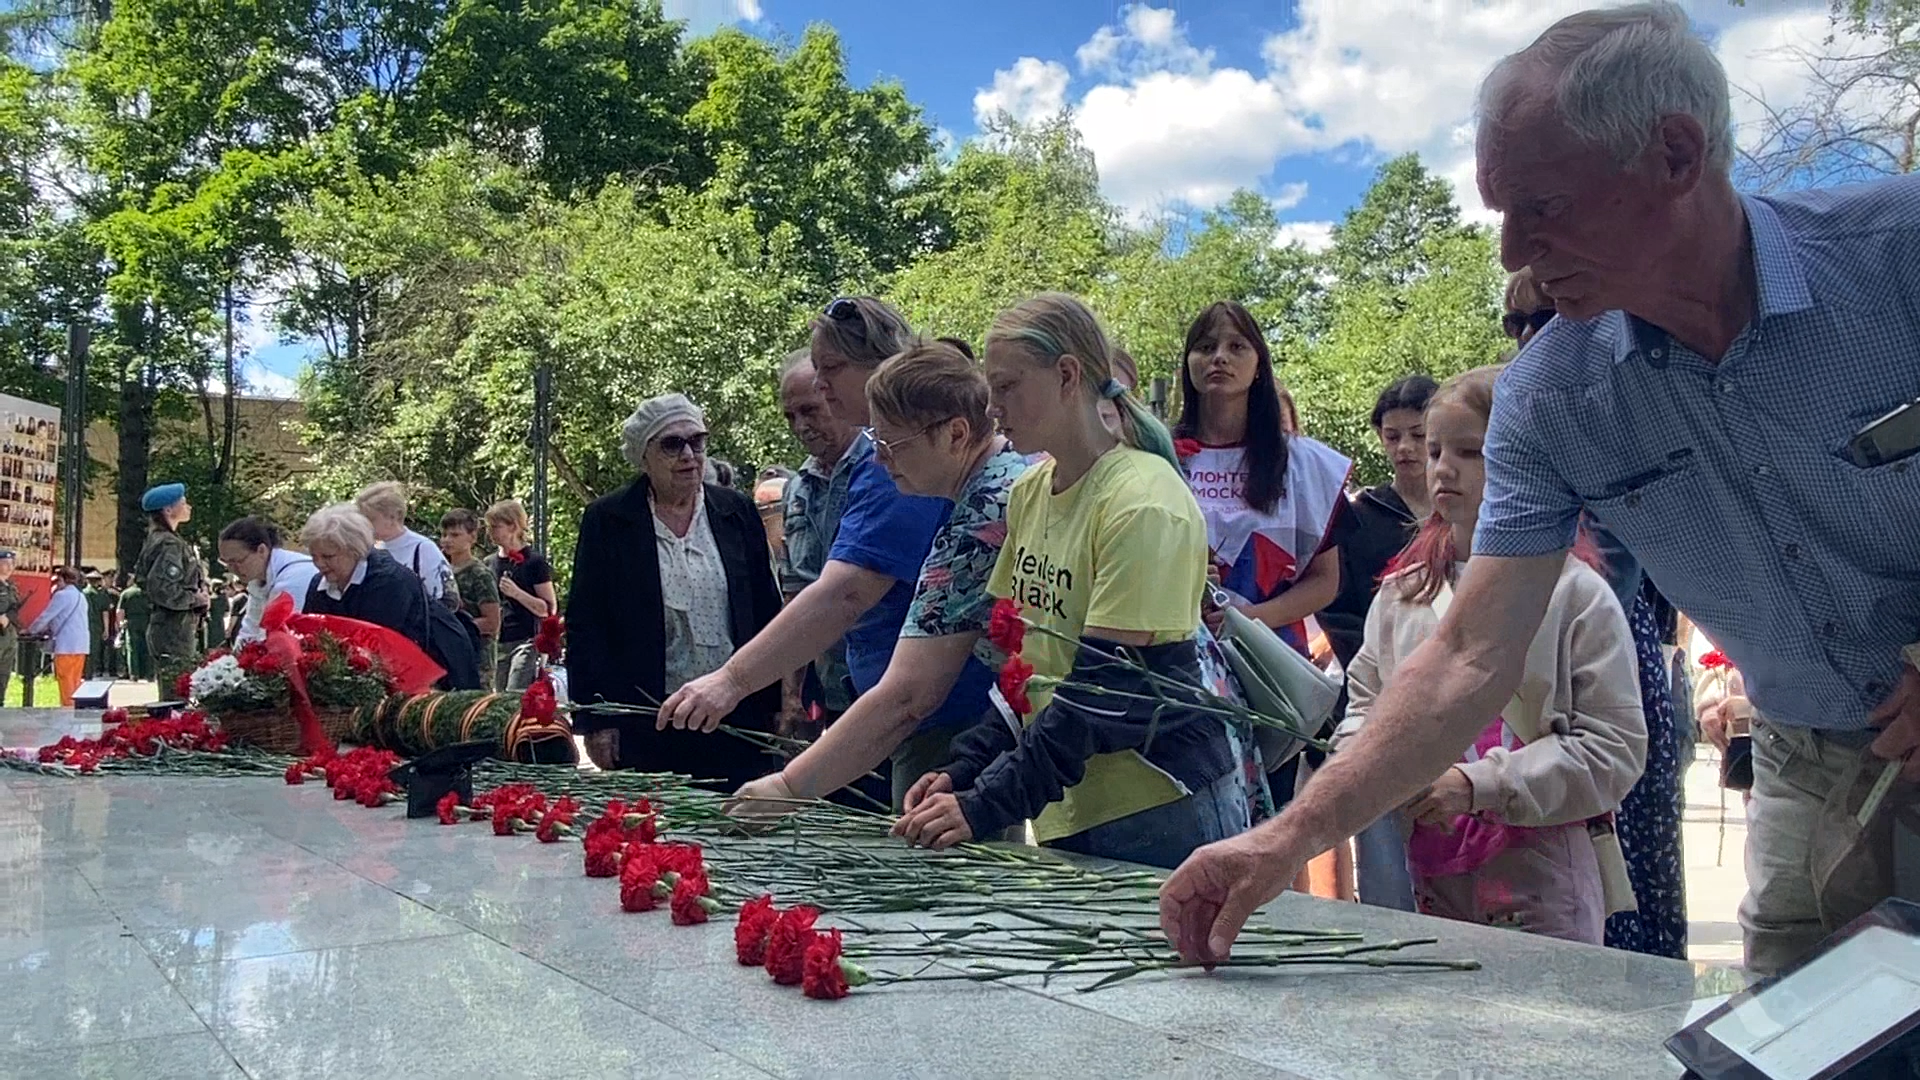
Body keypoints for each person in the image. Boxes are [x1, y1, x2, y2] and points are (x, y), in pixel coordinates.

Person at [1159, 3, 1920, 976]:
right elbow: (1471, 651)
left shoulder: (1898, 257)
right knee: (1785, 1036)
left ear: (1676, 156)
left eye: (1542, 207)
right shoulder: (1550, 399)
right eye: (1500, 212)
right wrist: (1284, 838)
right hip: (1808, 764)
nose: (1514, 252)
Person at [891, 293, 1246, 869]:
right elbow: (1025, 669)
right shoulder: (1032, 493)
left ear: (1066, 375)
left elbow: (1102, 697)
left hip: (1157, 808)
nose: (992, 406)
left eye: (1007, 387)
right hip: (1068, 803)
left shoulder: (1143, 503)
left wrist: (985, 804)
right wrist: (963, 768)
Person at [1335, 366, 1646, 942]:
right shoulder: (1402, 594)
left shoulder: (1574, 592)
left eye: (1471, 452)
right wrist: (1372, 770)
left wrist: (1481, 783)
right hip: (1425, 866)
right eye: (1433, 451)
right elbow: (1364, 704)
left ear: (1523, 459)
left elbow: (1613, 745)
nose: (1442, 469)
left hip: (1542, 868)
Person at [656, 299, 972, 786]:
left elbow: (844, 594)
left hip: (936, 719)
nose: (821, 384)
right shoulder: (885, 457)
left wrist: (732, 681)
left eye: (832, 368)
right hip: (896, 713)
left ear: (880, 365)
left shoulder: (903, 460)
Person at [731, 338, 1025, 812]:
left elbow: (908, 694)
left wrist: (788, 788)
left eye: (891, 444)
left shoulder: (984, 514)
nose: (880, 460)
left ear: (954, 433)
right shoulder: (999, 481)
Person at [1507, 266, 1688, 959]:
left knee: (1634, 855)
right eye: (1519, 325)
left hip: (1601, 644)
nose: (1532, 339)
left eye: (1547, 319)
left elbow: (1620, 565)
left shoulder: (1624, 405)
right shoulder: (1518, 413)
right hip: (1529, 656)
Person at [565, 394, 783, 788]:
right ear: (643, 456)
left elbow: (766, 609)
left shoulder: (736, 512)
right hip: (648, 718)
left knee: (736, 827)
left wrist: (780, 702)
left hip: (735, 714)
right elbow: (587, 623)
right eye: (672, 444)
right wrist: (596, 720)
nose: (688, 454)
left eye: (696, 441)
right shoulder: (609, 520)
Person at [1311, 374, 1439, 913]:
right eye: (1393, 436)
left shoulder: (1469, 508)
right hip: (1382, 688)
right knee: (1384, 835)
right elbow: (1336, 607)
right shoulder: (1362, 517)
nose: (1405, 448)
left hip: (1460, 694)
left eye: (1418, 434)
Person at [1175, 302, 1353, 658]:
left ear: (1259, 366)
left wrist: (1249, 618)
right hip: (1171, 662)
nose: (1220, 357)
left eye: (1236, 347)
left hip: (1269, 662)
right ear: (1189, 363)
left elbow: (1324, 581)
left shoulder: (1304, 464)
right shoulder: (1159, 456)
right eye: (1206, 347)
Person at [773, 347, 866, 728]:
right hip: (830, 692)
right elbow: (795, 593)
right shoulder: (799, 489)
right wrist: (790, 692)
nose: (800, 426)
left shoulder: (886, 470)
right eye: (790, 416)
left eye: (810, 410)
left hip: (888, 684)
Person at [301, 503, 483, 690]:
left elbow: (376, 645)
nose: (319, 564)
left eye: (328, 556)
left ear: (354, 550)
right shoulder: (319, 585)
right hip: (377, 675)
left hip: (438, 666)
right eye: (314, 556)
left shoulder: (389, 581)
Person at [134, 483, 209, 698]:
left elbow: (143, 580)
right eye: (183, 503)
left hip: (168, 626)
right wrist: (195, 598)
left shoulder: (158, 539)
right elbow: (162, 589)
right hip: (173, 628)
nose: (189, 507)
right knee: (176, 694)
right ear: (168, 510)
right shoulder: (169, 544)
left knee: (175, 692)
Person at [485, 499, 556, 691]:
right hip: (498, 642)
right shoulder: (488, 563)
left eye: (496, 526)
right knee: (498, 699)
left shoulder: (534, 562)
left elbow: (548, 608)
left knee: (515, 695)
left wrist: (517, 593)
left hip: (526, 639)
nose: (490, 532)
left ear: (513, 526)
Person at [217, 517, 317, 645]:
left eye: (237, 561)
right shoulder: (257, 580)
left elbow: (281, 638)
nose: (232, 569)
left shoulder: (295, 577)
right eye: (226, 562)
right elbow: (249, 632)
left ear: (261, 550)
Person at [355, 481, 456, 607]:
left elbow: (447, 601)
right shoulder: (367, 550)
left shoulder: (423, 548)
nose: (364, 525)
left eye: (370, 519)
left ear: (393, 517)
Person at [439, 509, 502, 687]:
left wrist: (457, 625)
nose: (447, 540)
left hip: (476, 660)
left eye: (455, 535)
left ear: (472, 537)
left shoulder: (480, 574)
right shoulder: (441, 569)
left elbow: (492, 623)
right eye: (444, 535)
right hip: (447, 657)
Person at [26, 567, 89, 706]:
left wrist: (31, 630)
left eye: (58, 580)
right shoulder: (81, 596)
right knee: (75, 679)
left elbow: (46, 616)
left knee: (65, 678)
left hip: (66, 644)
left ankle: (67, 708)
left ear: (63, 580)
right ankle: (75, 707)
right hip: (81, 645)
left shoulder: (61, 596)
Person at [118, 575, 151, 681]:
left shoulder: (126, 593)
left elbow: (120, 611)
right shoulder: (149, 593)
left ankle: (134, 674)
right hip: (147, 621)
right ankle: (149, 674)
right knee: (148, 648)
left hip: (131, 622)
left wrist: (121, 624)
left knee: (132, 648)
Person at [0, 551, 21, 701]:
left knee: (4, 675)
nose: (9, 567)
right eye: (5, 563)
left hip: (9, 635)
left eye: (11, 564)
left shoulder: (11, 587)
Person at [82, 569, 110, 678]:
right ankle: (90, 672)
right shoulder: (100, 595)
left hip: (83, 624)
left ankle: (83, 671)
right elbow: (105, 613)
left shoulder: (82, 593)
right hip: (96, 625)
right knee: (94, 650)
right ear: (98, 581)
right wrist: (106, 629)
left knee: (83, 648)